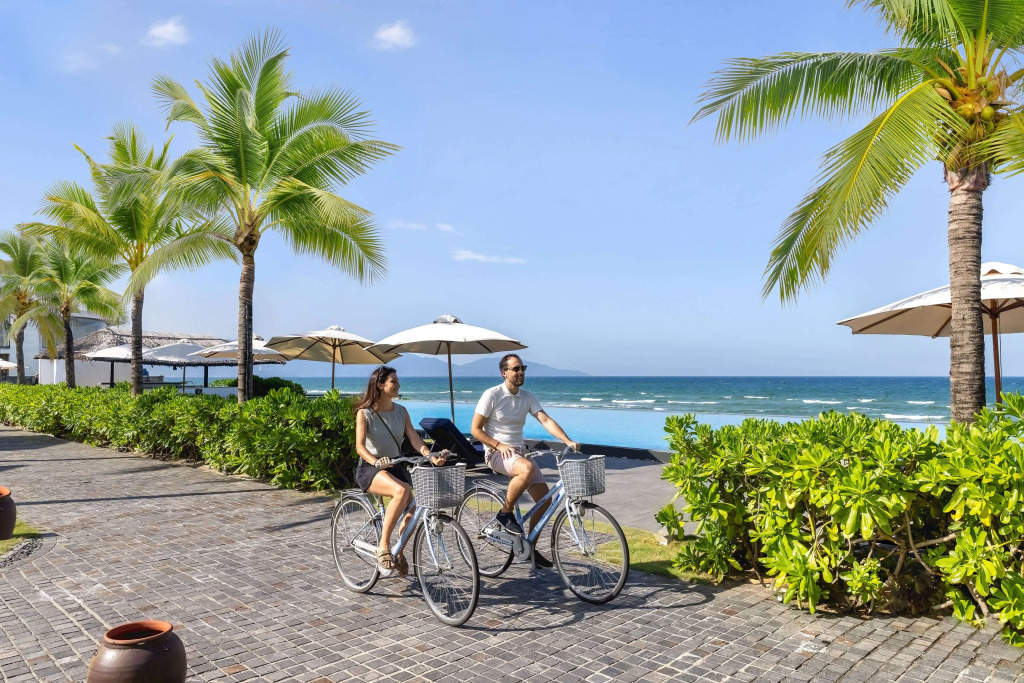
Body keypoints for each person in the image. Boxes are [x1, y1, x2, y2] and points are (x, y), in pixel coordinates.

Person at [471, 353, 581, 568]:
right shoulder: (492, 395)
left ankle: (530, 549)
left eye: (523, 368)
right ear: (504, 373)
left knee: (545, 502)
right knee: (527, 469)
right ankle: (505, 513)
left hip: (519, 453)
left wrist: (567, 440)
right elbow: (475, 429)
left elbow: (545, 419)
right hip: (496, 453)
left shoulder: (527, 397)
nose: (520, 372)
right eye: (516, 369)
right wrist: (499, 445)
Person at [355, 366, 448, 577]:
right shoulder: (365, 413)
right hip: (370, 468)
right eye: (393, 382)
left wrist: (430, 456)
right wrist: (376, 462)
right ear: (380, 385)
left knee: (414, 507)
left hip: (395, 466)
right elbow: (359, 447)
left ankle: (398, 551)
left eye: (398, 381)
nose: (398, 385)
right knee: (402, 491)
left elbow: (415, 439)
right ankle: (383, 546)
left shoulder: (401, 411)